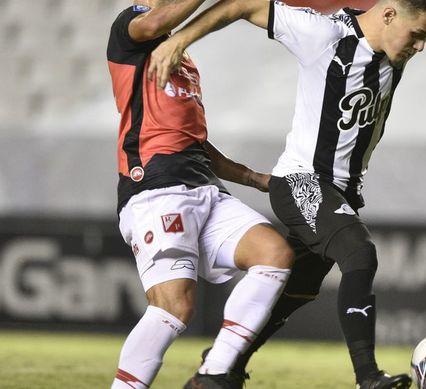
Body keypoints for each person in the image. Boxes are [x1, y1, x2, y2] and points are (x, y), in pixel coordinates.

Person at [147, 0, 426, 388]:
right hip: (302, 182)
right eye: (416, 36)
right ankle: (367, 376)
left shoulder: (402, 32)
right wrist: (179, 39)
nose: (421, 46)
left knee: (294, 292)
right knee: (360, 253)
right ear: (390, 14)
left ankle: (220, 368)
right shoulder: (322, 34)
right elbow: (242, 4)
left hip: (341, 193)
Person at [106, 1, 295, 388]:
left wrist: (256, 178)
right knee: (174, 307)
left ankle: (213, 372)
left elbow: (195, 142)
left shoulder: (182, 56)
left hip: (204, 187)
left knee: (273, 255)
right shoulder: (131, 29)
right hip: (155, 189)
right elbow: (160, 19)